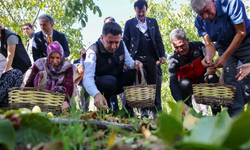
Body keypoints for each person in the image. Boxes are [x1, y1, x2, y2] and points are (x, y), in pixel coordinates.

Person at [190, 0, 250, 116]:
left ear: (213, 1)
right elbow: (209, 44)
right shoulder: (199, 22)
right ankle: (236, 119)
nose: (206, 16)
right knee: (230, 79)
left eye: (207, 11)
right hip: (224, 46)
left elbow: (241, 32)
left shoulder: (231, 3)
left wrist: (225, 57)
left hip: (246, 41)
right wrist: (208, 56)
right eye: (201, 14)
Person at [83, 21, 143, 116]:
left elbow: (129, 62)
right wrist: (96, 94)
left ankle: (128, 110)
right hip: (102, 85)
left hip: (118, 82)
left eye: (117, 42)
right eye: (110, 42)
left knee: (139, 71)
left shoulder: (122, 45)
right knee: (110, 81)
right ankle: (105, 109)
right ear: (102, 38)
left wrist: (135, 64)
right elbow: (87, 78)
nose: (114, 46)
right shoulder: (93, 51)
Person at [123, 0, 166, 118]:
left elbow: (158, 39)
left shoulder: (153, 22)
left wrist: (162, 55)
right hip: (136, 58)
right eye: (138, 12)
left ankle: (156, 110)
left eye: (142, 11)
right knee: (139, 82)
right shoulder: (129, 23)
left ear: (146, 9)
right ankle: (143, 110)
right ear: (135, 10)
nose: (141, 14)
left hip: (152, 57)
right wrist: (125, 60)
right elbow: (125, 42)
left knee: (154, 83)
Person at [168, 28, 220, 116]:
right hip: (188, 86)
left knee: (212, 77)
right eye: (176, 47)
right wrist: (180, 102)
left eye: (182, 45)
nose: (180, 49)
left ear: (187, 40)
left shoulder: (199, 46)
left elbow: (210, 62)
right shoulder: (173, 60)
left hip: (203, 80)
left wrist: (211, 68)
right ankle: (189, 113)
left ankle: (216, 111)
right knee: (183, 84)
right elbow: (173, 83)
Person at [26, 41, 73, 112]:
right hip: (41, 96)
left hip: (59, 98)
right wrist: (26, 97)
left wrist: (65, 101)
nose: (55, 61)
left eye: (58, 58)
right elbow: (29, 82)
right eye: (52, 57)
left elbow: (69, 85)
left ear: (62, 57)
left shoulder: (67, 67)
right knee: (42, 74)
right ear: (48, 56)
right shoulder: (40, 63)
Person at [0, 23, 24, 108]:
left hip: (20, 65)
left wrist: (5, 71)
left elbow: (10, 55)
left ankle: (6, 105)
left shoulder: (10, 36)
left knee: (17, 74)